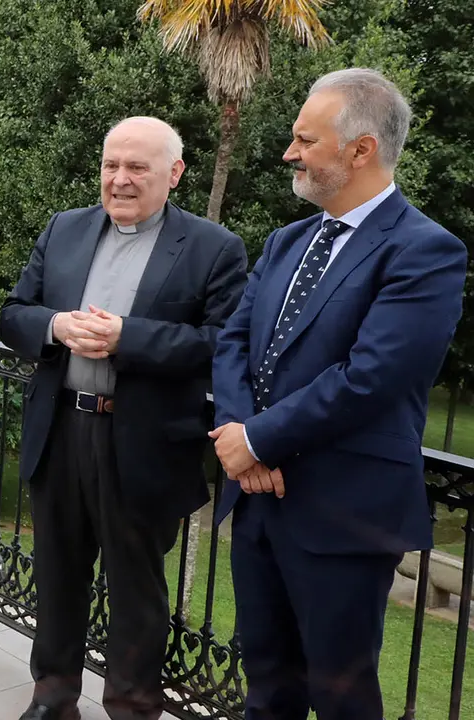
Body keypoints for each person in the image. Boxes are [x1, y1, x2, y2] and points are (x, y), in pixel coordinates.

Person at [211, 68, 466, 720]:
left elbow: (372, 376)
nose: (289, 152)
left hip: (344, 519)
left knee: (342, 698)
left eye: (304, 138)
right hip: (259, 507)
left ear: (361, 150)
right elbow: (233, 344)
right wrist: (243, 437)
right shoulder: (287, 241)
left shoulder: (425, 251)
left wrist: (259, 438)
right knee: (266, 689)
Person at [0, 117, 248, 720]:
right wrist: (56, 327)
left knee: (136, 588)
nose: (121, 179)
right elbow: (13, 314)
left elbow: (221, 342)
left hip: (143, 444)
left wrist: (127, 339)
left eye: (138, 167)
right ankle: (52, 698)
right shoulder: (66, 229)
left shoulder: (214, 247)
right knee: (58, 575)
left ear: (175, 173)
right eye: (112, 165)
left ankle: (133, 706)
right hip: (60, 431)